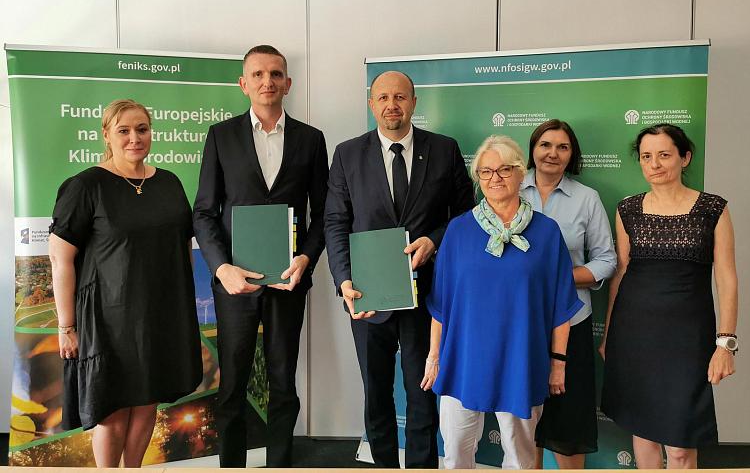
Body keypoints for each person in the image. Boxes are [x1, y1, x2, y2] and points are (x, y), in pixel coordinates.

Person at [324, 70, 474, 468]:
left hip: (427, 297)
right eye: (383, 97)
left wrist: (434, 240)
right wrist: (343, 280)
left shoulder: (443, 149)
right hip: (367, 295)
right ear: (371, 104)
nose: (392, 105)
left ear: (413, 102)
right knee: (376, 395)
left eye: (400, 97)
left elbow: (465, 215)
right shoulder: (347, 154)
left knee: (422, 393)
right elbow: (335, 221)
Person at [193, 44, 328, 468]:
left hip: (289, 279)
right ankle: (232, 465)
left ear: (288, 83)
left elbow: (324, 213)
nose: (267, 81)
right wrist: (222, 268)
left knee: (283, 381)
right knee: (232, 385)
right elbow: (204, 212)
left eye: (275, 74)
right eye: (257, 74)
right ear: (243, 84)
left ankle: (280, 464)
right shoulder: (221, 136)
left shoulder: (311, 139)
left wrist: (306, 259)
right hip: (236, 284)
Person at [49, 99, 202, 467]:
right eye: (124, 130)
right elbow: (60, 258)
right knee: (113, 409)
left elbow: (182, 244)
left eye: (142, 129)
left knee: (147, 401)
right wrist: (67, 326)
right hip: (108, 319)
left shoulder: (169, 182)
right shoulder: (86, 186)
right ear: (107, 134)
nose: (135, 138)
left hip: (159, 313)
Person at [421, 135, 583, 469]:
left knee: (521, 458)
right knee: (455, 454)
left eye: (504, 169)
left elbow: (560, 307)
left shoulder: (547, 232)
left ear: (521, 173)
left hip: (521, 359)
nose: (495, 178)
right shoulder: (458, 231)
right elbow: (441, 305)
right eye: (486, 171)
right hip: (463, 358)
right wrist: (434, 357)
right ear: (478, 178)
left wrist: (558, 363)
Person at [600, 123, 738, 469]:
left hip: (688, 340)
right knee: (643, 432)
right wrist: (609, 335)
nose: (655, 164)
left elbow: (726, 277)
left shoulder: (712, 209)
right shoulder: (628, 209)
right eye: (646, 156)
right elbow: (621, 272)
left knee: (680, 448)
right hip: (634, 336)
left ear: (684, 158)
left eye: (664, 155)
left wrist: (726, 344)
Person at [520, 120, 616, 468]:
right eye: (545, 145)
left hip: (572, 320)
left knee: (568, 420)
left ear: (572, 154)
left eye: (562, 147)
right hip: (521, 322)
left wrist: (559, 279)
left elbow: (607, 259)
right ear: (532, 149)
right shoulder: (510, 189)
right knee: (523, 418)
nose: (553, 153)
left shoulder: (587, 198)